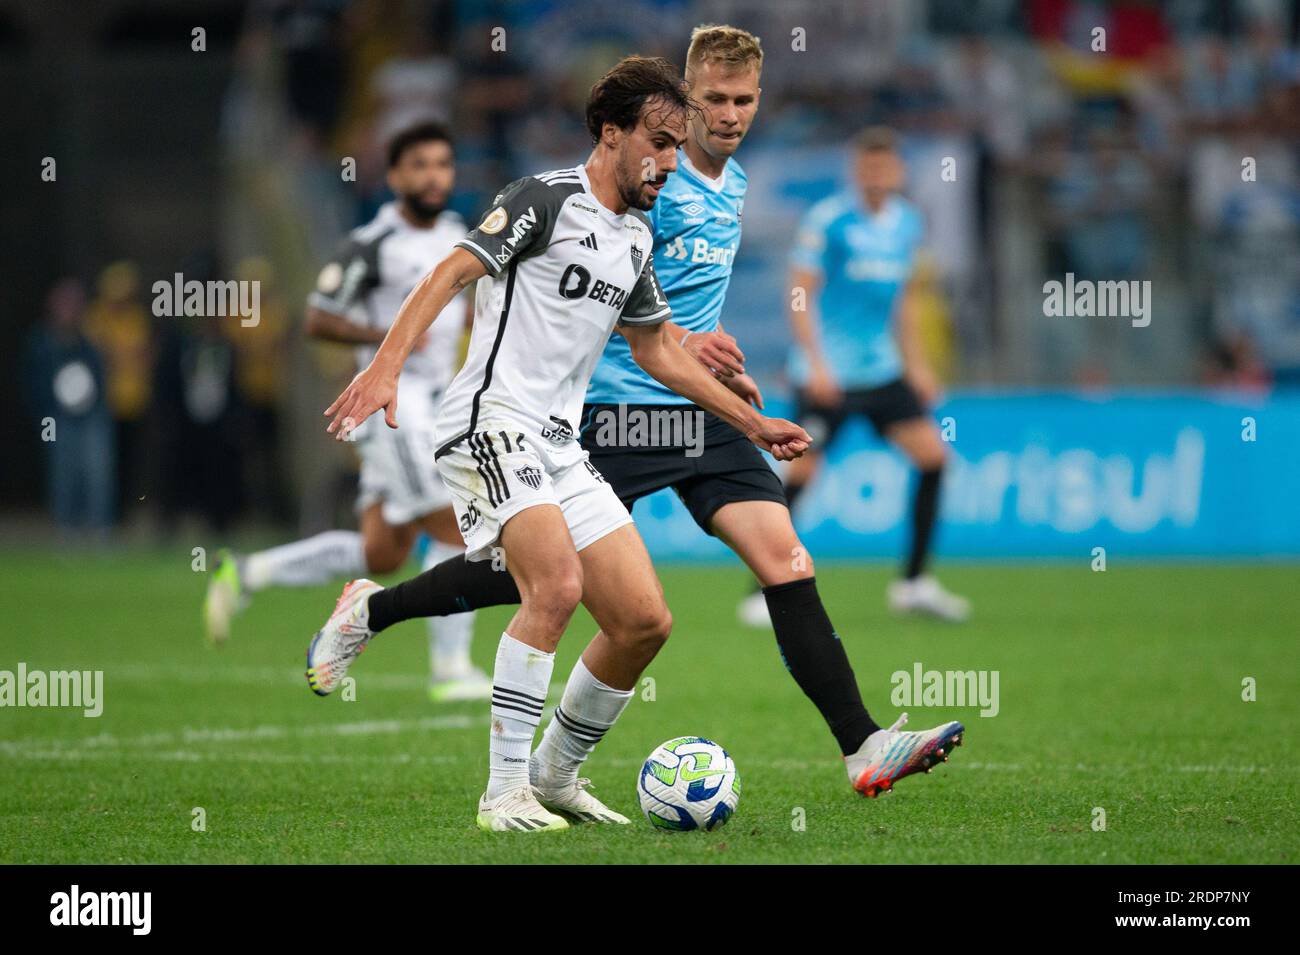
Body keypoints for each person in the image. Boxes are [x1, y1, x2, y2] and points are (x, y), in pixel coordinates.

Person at [309, 39, 964, 827]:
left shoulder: (637, 236)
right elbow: (453, 270)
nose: (674, 156)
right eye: (666, 138)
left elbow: (658, 345)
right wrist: (384, 367)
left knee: (651, 614)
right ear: (617, 131)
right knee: (546, 584)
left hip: (582, 435)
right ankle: (501, 789)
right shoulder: (542, 198)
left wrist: (751, 419)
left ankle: (567, 771)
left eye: (739, 103)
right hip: (518, 418)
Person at [203, 122, 488, 703]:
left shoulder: (462, 236)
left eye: (443, 165)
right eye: (420, 165)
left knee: (384, 551)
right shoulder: (373, 242)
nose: (434, 176)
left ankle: (249, 572)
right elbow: (317, 316)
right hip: (394, 406)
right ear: (395, 177)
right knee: (461, 526)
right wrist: (386, 335)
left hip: (440, 402)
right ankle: (451, 670)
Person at [757, 126, 970, 623]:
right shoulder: (828, 221)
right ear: (856, 171)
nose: (876, 175)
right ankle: (763, 586)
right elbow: (800, 292)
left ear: (897, 172)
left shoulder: (906, 225)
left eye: (885, 167)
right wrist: (813, 362)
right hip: (830, 373)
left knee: (934, 458)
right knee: (804, 472)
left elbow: (903, 302)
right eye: (867, 167)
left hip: (882, 371)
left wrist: (916, 365)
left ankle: (914, 583)